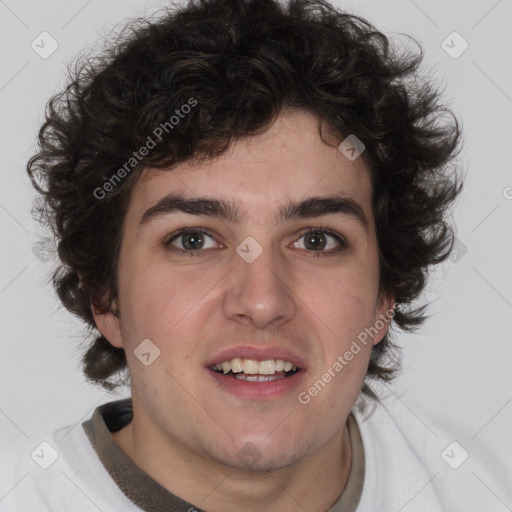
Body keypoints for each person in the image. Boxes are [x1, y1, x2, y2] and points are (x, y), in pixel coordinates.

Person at [1, 0, 504, 510]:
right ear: (106, 298)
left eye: (316, 240)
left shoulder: (473, 489)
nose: (262, 302)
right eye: (193, 240)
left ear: (383, 297)